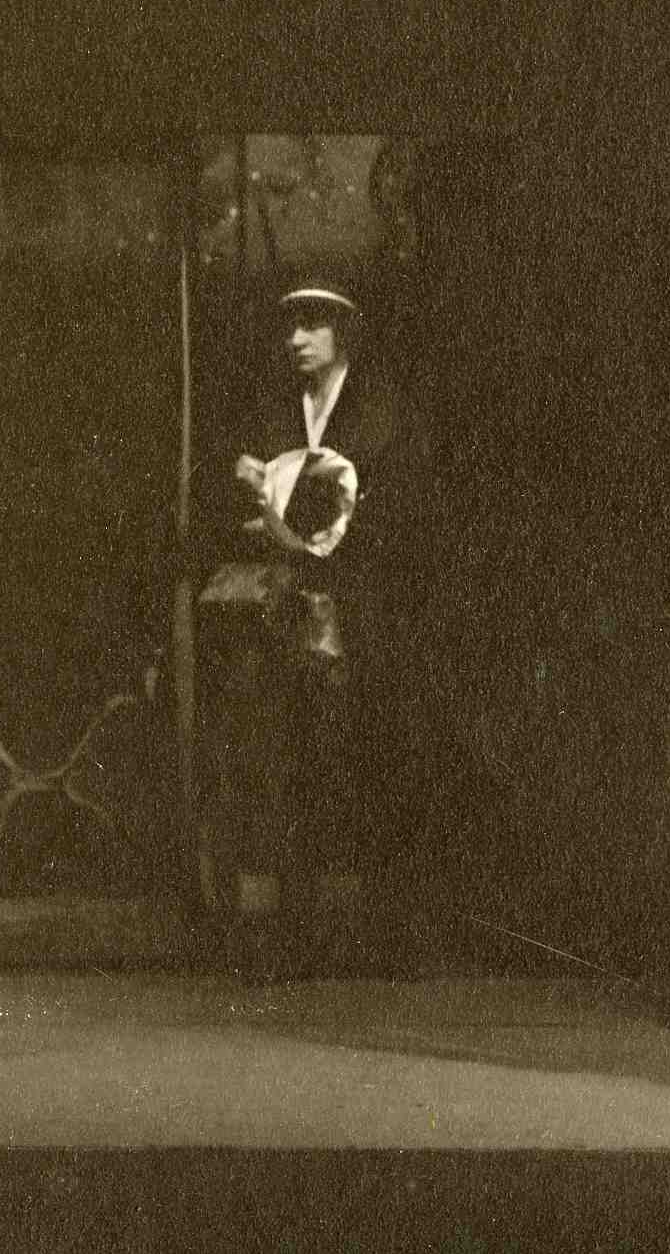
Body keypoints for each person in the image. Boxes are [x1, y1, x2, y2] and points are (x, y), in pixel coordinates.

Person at [198, 280, 438, 972]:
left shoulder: (383, 410)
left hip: (363, 604)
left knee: (373, 752)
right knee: (293, 756)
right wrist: (252, 489)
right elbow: (241, 495)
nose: (296, 339)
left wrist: (311, 510)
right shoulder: (274, 409)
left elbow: (400, 506)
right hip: (290, 607)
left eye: (311, 325)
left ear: (344, 331)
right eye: (291, 327)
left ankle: (387, 932)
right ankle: (294, 928)